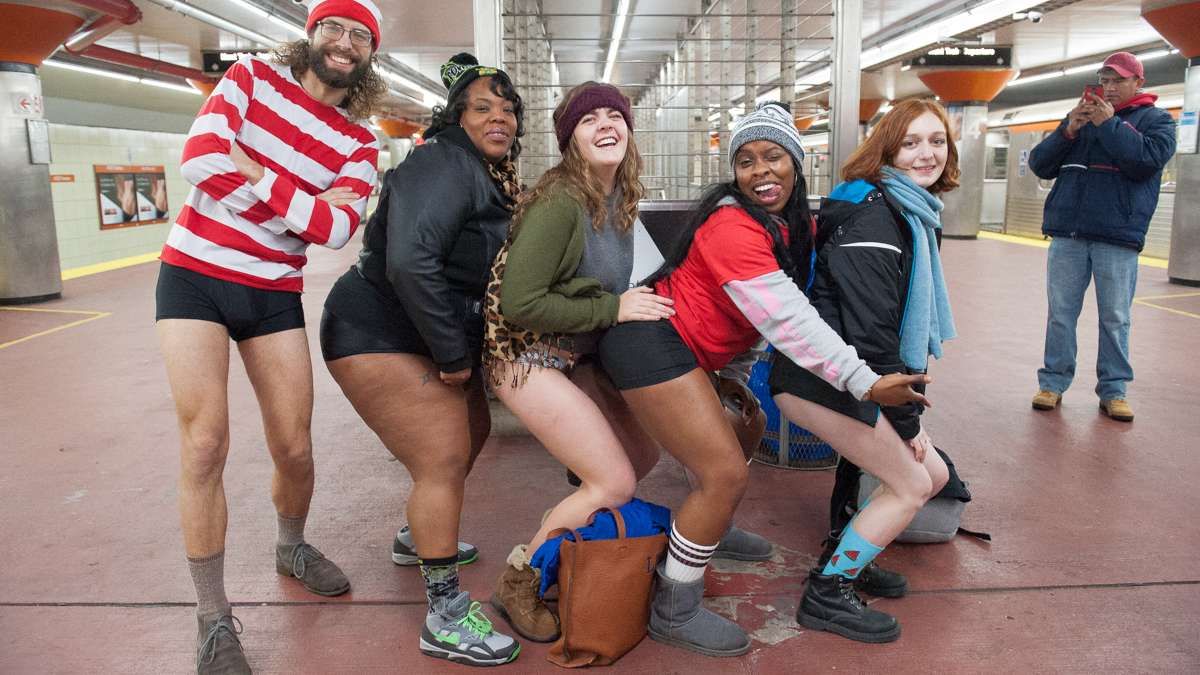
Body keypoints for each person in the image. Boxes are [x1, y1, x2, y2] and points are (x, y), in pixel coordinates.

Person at [596, 102, 930, 656]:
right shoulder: (731, 224)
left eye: (773, 156)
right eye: (746, 160)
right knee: (723, 473)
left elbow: (745, 324)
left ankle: (708, 530)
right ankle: (674, 607)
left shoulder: (782, 224)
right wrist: (864, 381)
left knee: (741, 432)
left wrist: (731, 376)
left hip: (692, 354)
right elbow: (785, 319)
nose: (760, 171)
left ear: (798, 163)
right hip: (651, 346)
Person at [154, 0, 385, 671]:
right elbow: (199, 159)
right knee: (204, 444)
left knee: (295, 446)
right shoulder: (251, 78)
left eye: (360, 36)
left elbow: (339, 232)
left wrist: (254, 173)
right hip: (193, 275)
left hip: (272, 293)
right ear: (311, 34)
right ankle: (212, 617)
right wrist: (299, 206)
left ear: (368, 54)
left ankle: (291, 544)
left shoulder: (360, 143)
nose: (344, 43)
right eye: (334, 28)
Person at [319, 53, 522, 667]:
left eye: (509, 109)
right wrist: (454, 356)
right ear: (456, 117)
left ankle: (417, 539)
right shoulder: (443, 162)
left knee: (475, 426)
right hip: (376, 329)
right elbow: (410, 262)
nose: (500, 117)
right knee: (442, 456)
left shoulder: (481, 172)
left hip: (414, 328)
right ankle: (445, 615)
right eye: (483, 106)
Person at [481, 81, 670, 643]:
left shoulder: (617, 196)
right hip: (526, 355)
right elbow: (519, 301)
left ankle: (570, 545)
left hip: (571, 353)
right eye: (589, 120)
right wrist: (615, 307)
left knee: (641, 454)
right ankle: (519, 581)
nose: (606, 125)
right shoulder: (561, 201)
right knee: (613, 481)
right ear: (570, 139)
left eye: (615, 115)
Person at [770, 98, 959, 644]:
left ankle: (848, 546)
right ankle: (828, 592)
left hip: (848, 375)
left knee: (935, 475)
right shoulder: (877, 218)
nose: (927, 154)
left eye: (937, 141)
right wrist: (909, 426)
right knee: (913, 485)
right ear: (887, 149)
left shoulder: (906, 210)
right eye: (912, 143)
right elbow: (874, 339)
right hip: (825, 378)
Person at [1029, 51, 1176, 422]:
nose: (1109, 88)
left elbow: (1143, 162)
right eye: (1105, 80)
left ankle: (1114, 390)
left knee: (1115, 317)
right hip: (1069, 233)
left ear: (1138, 83)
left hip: (1118, 235)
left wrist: (1110, 125)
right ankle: (1053, 383)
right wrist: (1068, 131)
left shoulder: (1157, 121)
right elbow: (1040, 165)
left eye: (1118, 81)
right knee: (1060, 314)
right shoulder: (1081, 118)